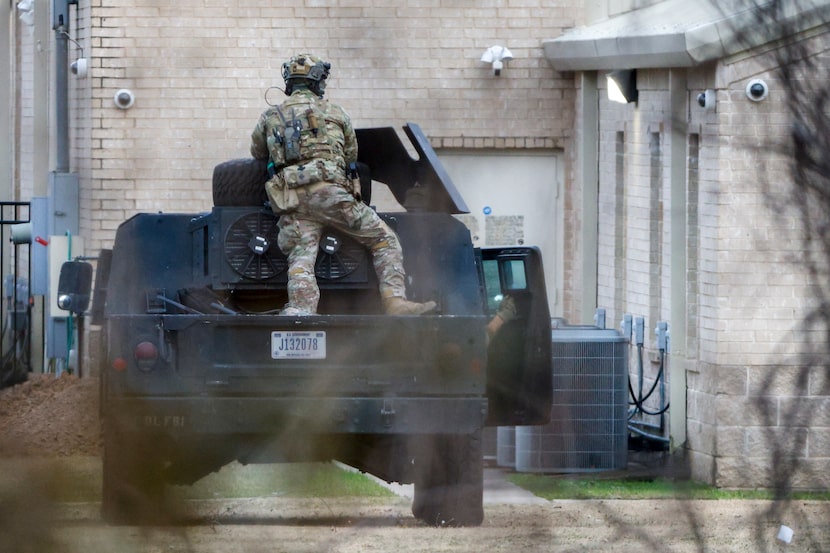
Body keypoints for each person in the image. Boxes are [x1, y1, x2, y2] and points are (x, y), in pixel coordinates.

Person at [250, 53, 436, 316]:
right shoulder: (336, 113)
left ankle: (301, 310)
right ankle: (395, 302)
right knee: (384, 239)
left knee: (301, 257)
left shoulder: (270, 116)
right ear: (317, 83)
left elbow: (257, 153)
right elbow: (350, 155)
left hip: (291, 199)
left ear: (289, 83)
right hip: (333, 196)